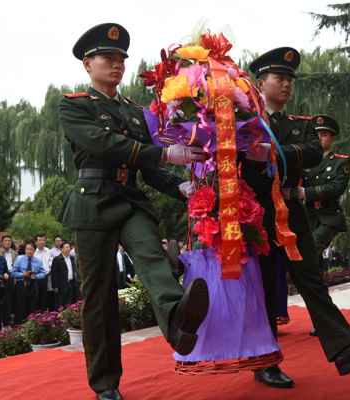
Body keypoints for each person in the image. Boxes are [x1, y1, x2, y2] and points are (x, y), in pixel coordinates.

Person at [59, 23, 211, 400]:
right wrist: (162, 153)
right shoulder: (74, 104)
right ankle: (105, 384)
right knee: (100, 299)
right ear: (87, 64)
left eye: (120, 59)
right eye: (107, 58)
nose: (116, 65)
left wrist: (180, 186)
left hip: (129, 199)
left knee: (153, 258)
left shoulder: (134, 111)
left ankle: (178, 320)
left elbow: (150, 166)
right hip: (93, 201)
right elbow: (101, 143)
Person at [244, 47, 350, 389]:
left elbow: (312, 154)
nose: (286, 85)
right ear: (261, 82)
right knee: (263, 289)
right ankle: (265, 363)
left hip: (292, 216)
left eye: (290, 80)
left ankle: (347, 350)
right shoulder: (244, 123)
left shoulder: (303, 125)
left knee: (312, 281)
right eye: (279, 78)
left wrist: (272, 152)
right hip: (257, 217)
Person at [300, 115, 350, 336]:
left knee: (309, 256)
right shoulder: (304, 161)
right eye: (317, 134)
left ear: (332, 137)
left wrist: (306, 193)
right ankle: (323, 321)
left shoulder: (341, 160)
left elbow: (336, 187)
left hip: (328, 218)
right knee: (314, 270)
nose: (321, 138)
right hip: (307, 218)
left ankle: (326, 321)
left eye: (325, 134)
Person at [12, 242, 46, 324]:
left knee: (32, 306)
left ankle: (30, 325)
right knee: (20, 306)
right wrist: (22, 274)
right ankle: (19, 325)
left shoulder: (38, 261)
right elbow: (13, 273)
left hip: (33, 285)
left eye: (31, 249)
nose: (29, 251)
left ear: (34, 250)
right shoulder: (19, 259)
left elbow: (43, 273)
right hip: (21, 284)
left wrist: (36, 276)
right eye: (27, 249)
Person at [51, 241, 81, 307]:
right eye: (66, 247)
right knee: (62, 303)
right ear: (62, 249)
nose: (68, 249)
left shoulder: (72, 258)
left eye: (69, 247)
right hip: (61, 285)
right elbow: (54, 273)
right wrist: (55, 286)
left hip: (72, 283)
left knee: (71, 302)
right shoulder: (57, 259)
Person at [0, 235, 18, 326]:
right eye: (6, 240)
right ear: (2, 242)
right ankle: (2, 319)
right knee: (2, 300)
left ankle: (8, 319)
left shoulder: (14, 253)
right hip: (1, 277)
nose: (7, 242)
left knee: (10, 300)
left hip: (12, 277)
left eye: (9, 241)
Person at [33, 234, 53, 311]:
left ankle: (43, 314)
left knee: (44, 296)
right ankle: (35, 314)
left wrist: (48, 271)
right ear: (36, 242)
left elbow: (51, 262)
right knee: (35, 296)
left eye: (43, 240)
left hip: (45, 276)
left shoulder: (48, 251)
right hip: (35, 277)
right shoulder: (33, 252)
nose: (42, 242)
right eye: (40, 240)